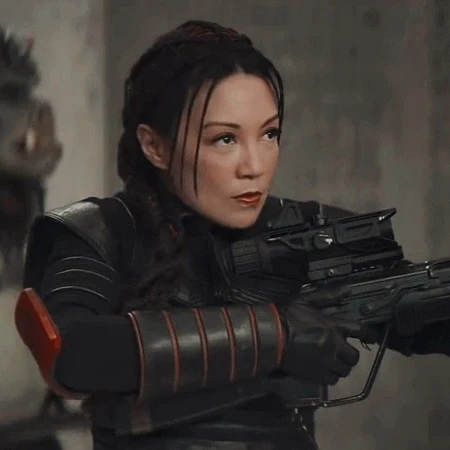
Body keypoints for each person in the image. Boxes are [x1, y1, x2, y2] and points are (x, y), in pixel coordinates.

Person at [14, 20, 450, 450]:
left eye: (269, 134)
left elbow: (422, 313)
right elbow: (71, 353)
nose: (254, 166)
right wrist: (278, 336)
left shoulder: (313, 235)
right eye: (225, 139)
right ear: (155, 147)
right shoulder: (102, 232)